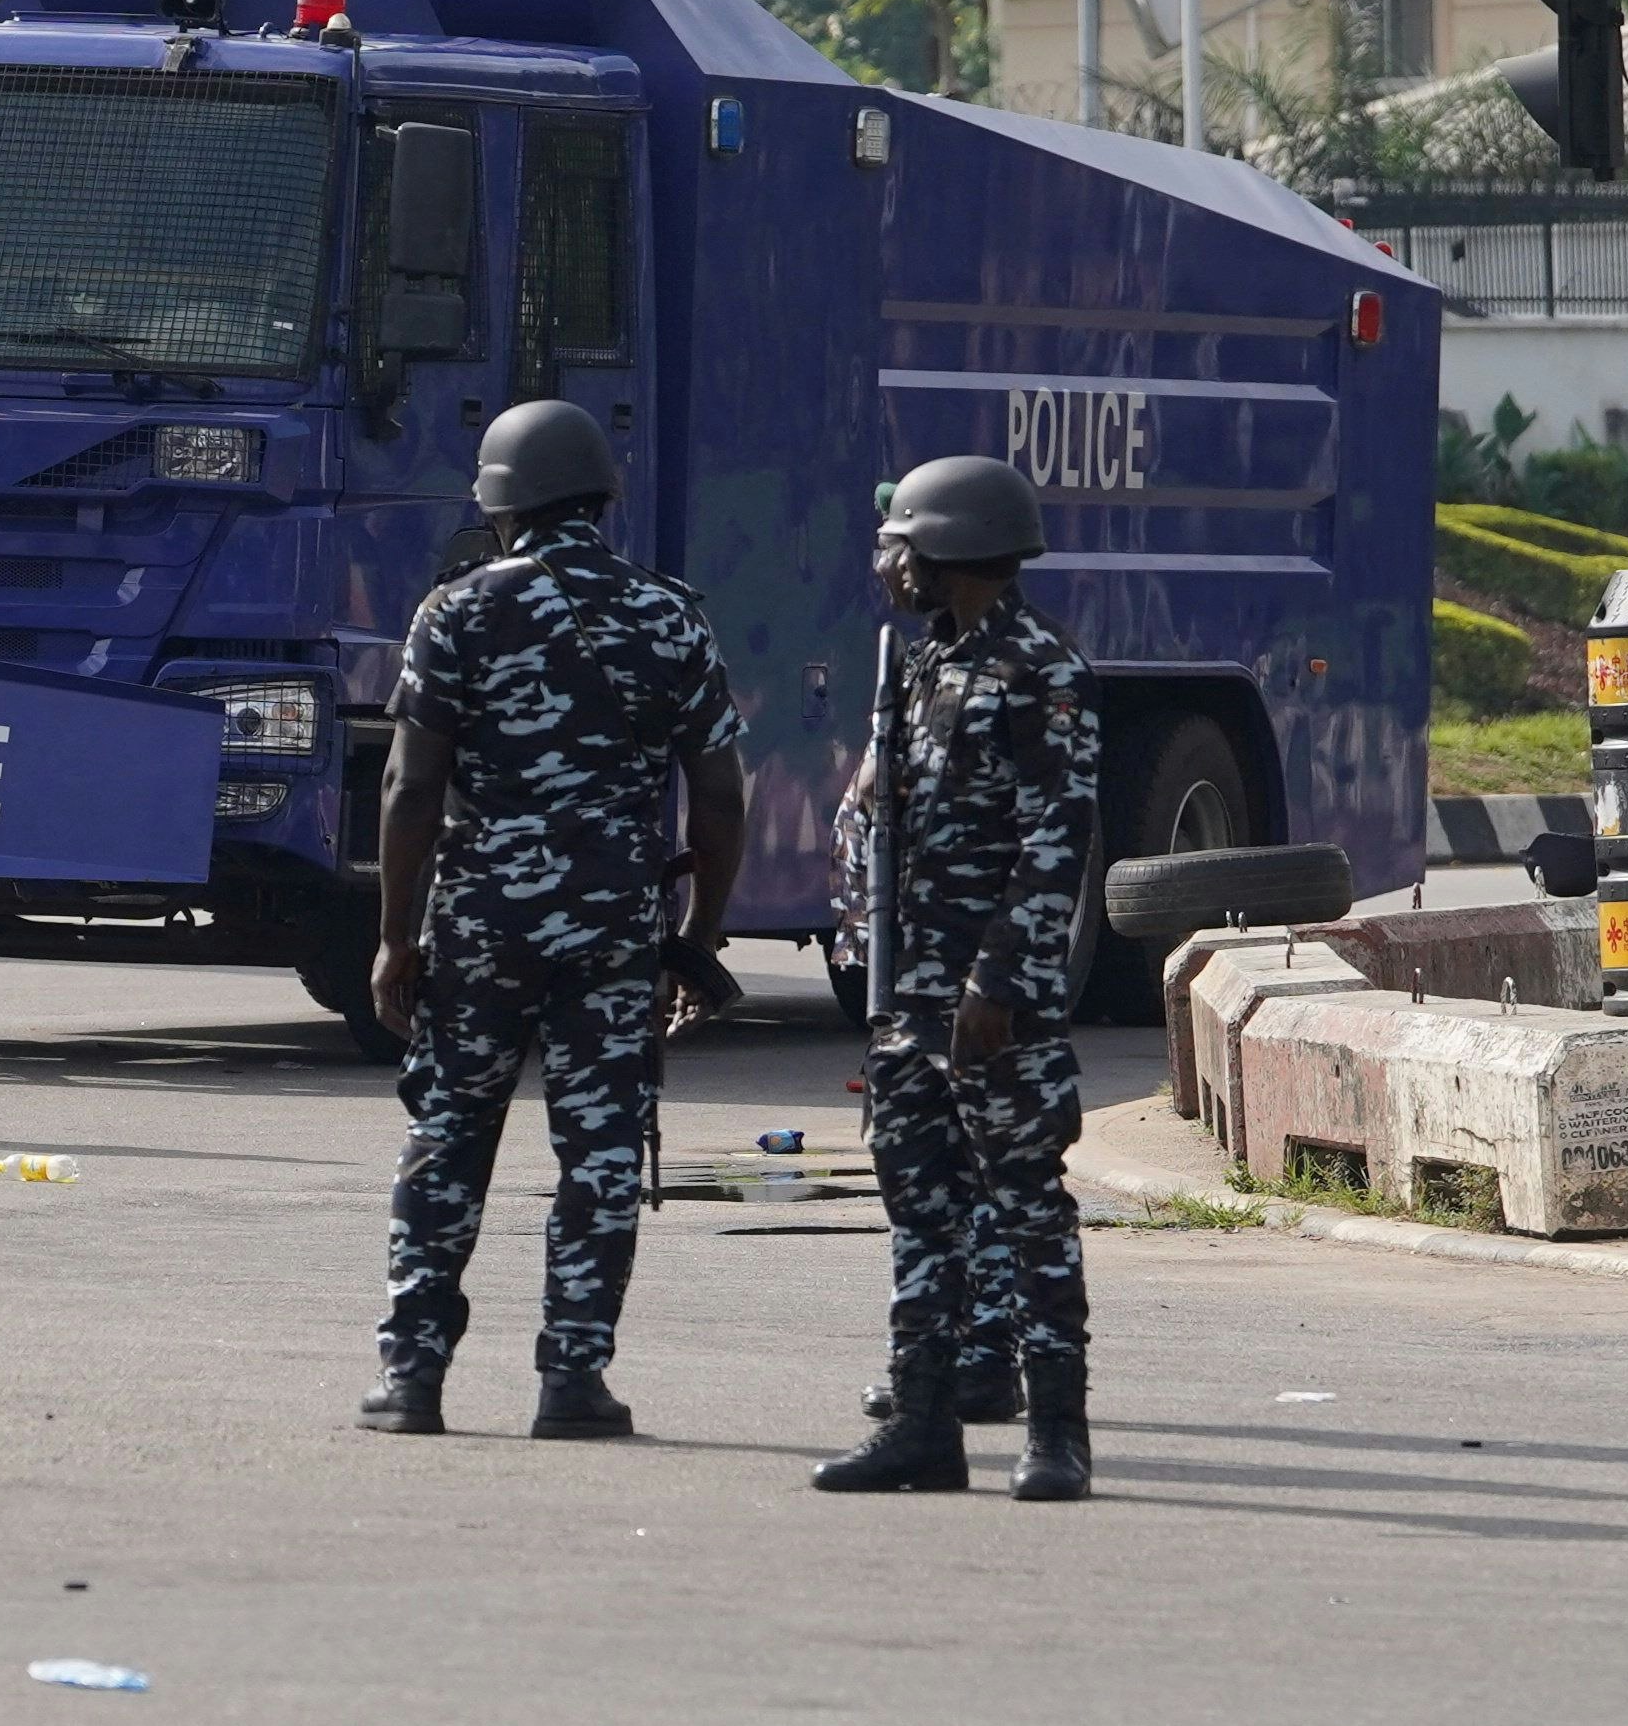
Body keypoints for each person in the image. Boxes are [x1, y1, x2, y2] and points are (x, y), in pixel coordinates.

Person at [364, 402, 746, 1441]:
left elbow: (409, 787)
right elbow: (719, 798)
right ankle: (573, 1381)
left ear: (499, 502)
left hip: (481, 925)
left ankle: (412, 1379)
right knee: (601, 1154)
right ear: (599, 496)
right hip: (614, 930)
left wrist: (396, 935)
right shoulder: (669, 614)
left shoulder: (456, 613)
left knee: (448, 1141)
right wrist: (697, 938)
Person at [813, 455, 1098, 1501]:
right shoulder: (921, 661)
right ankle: (923, 1424)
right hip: (912, 996)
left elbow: (1056, 842)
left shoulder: (1040, 669)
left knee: (1028, 1210)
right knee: (921, 1213)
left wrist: (998, 984)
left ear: (948, 549)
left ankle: (1057, 1433)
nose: (885, 564)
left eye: (898, 546)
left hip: (993, 1001)